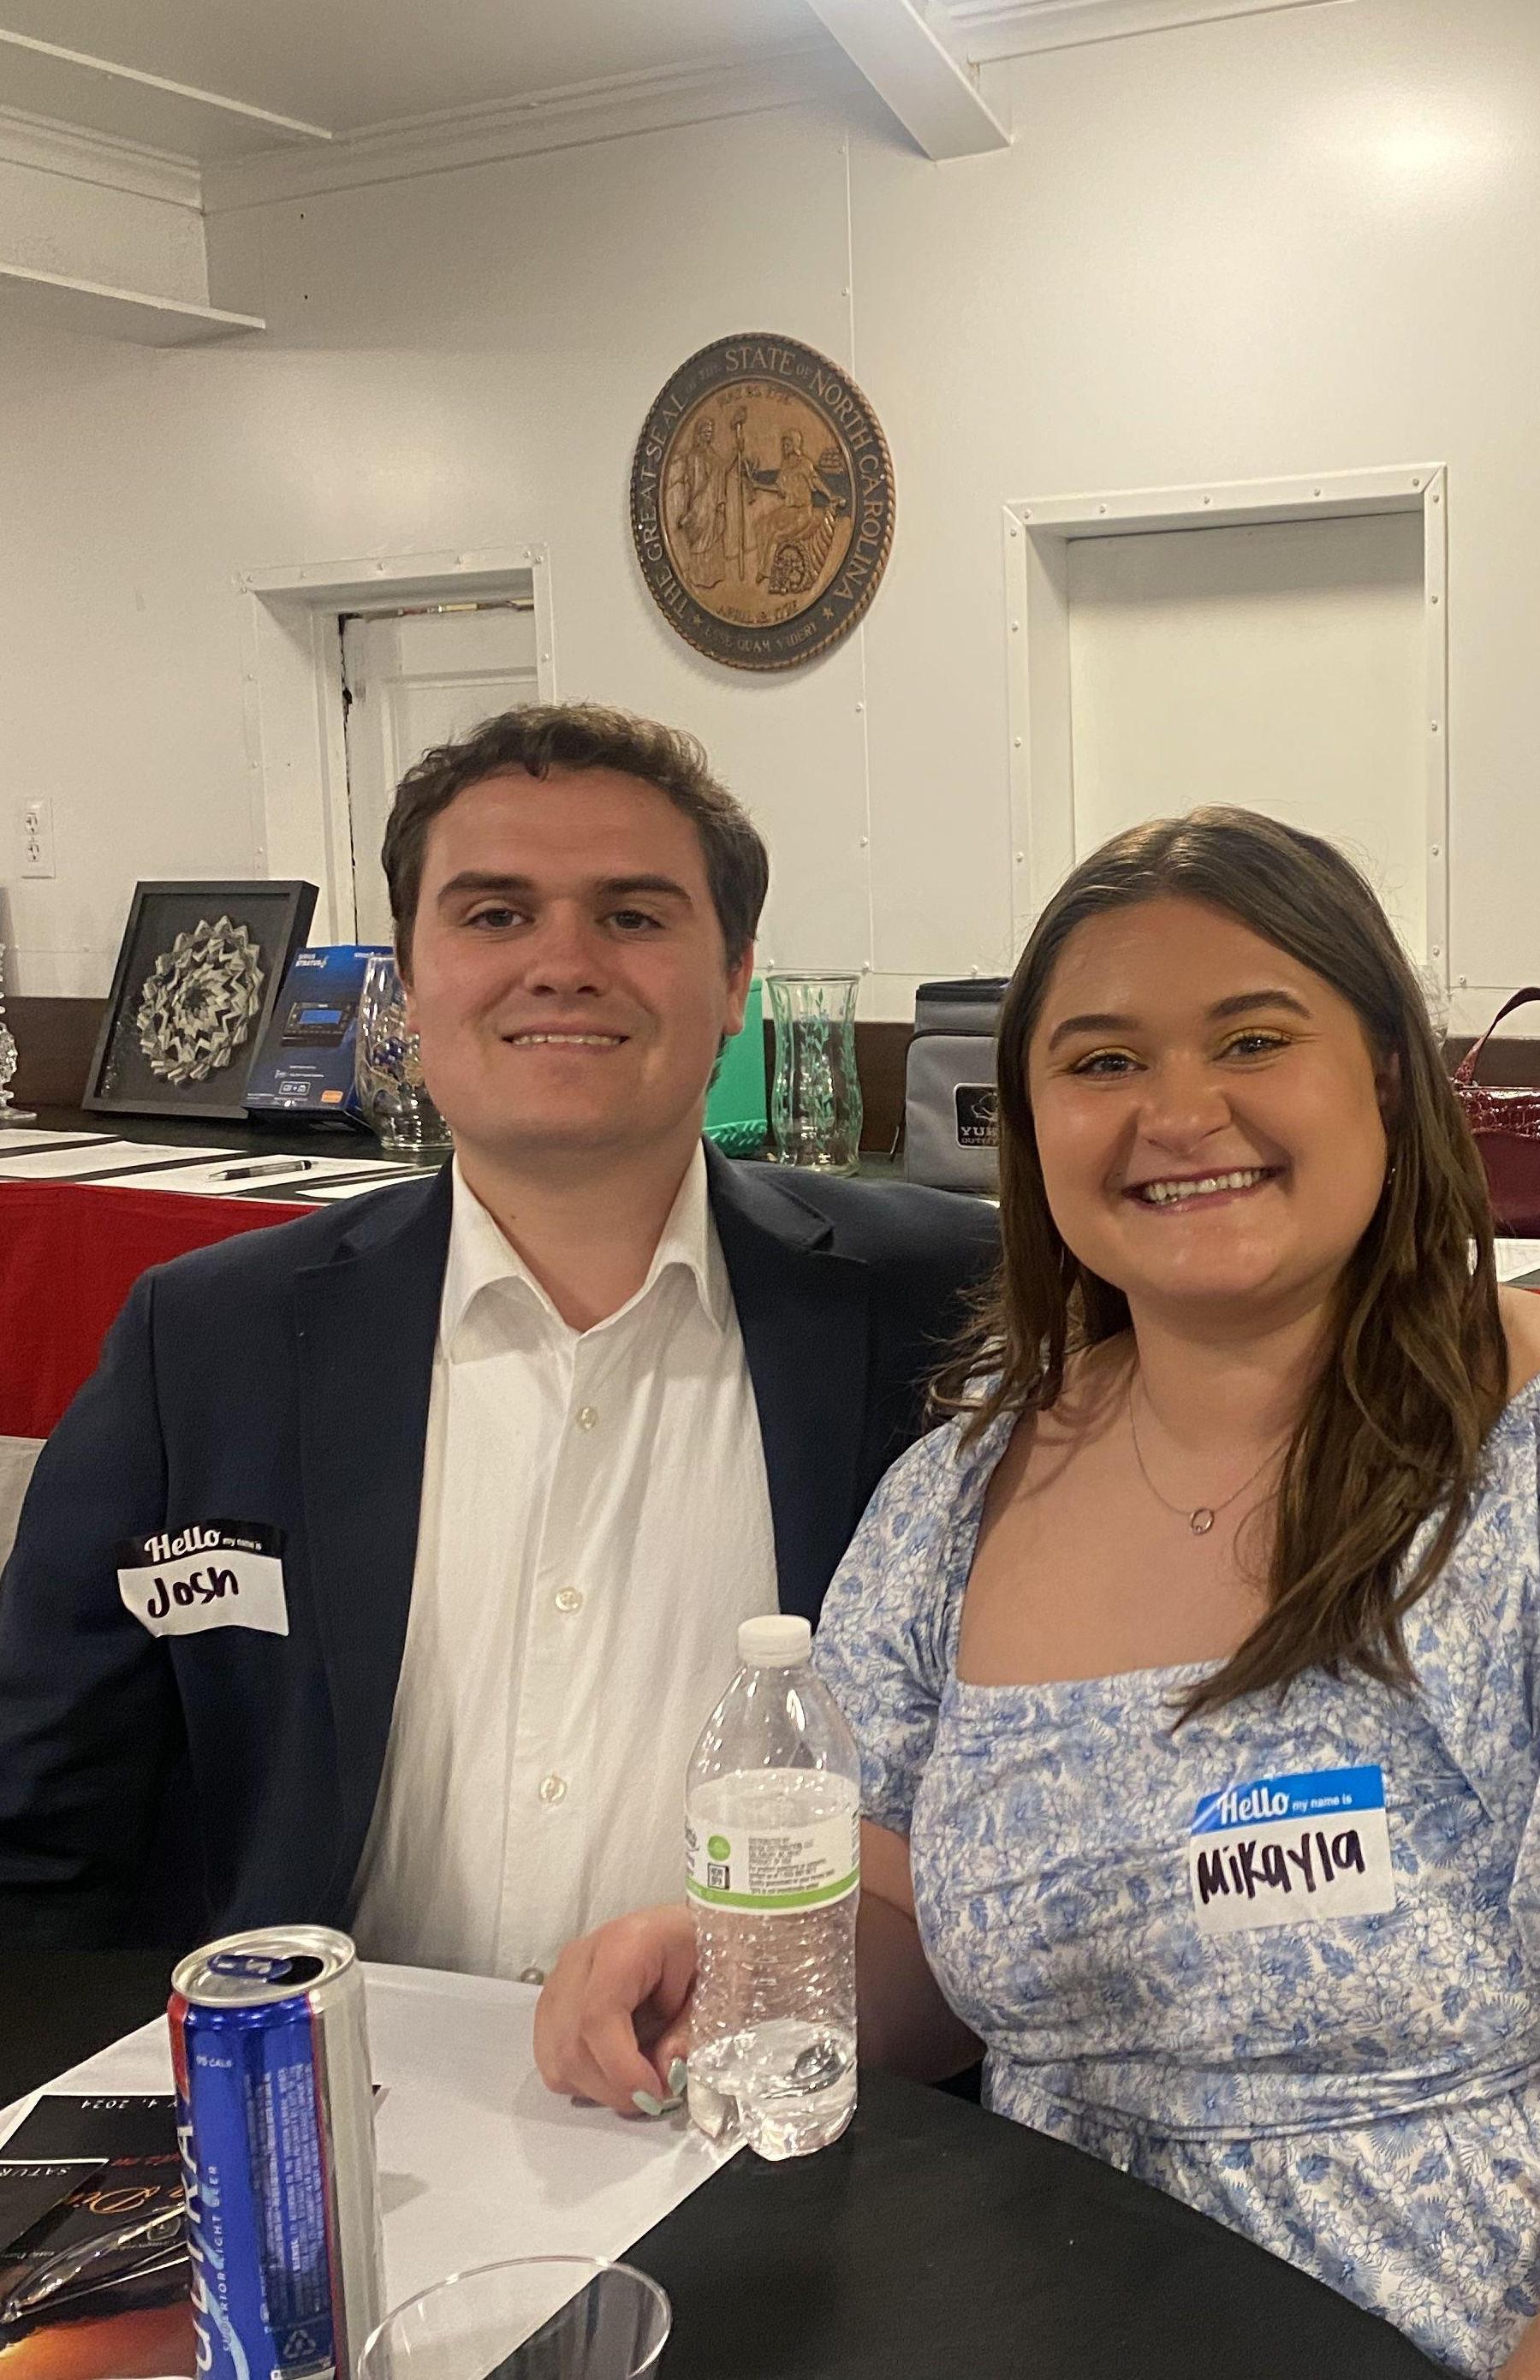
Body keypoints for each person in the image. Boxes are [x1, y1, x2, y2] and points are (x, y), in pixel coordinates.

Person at [537, 808, 1540, 2378]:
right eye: (1101, 1062)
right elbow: (923, 1931)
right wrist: (745, 1972)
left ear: (1386, 1076)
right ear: (1026, 1127)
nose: (1181, 1111)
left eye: (1253, 1040)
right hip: (1127, 2292)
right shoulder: (955, 1503)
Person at [0, 705, 997, 1971]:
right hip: (330, 2079)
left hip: (783, 2068)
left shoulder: (945, 1305)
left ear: (736, 978)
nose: (564, 962)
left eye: (633, 916)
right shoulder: (205, 1343)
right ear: (410, 983)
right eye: (494, 914)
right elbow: (41, 1836)